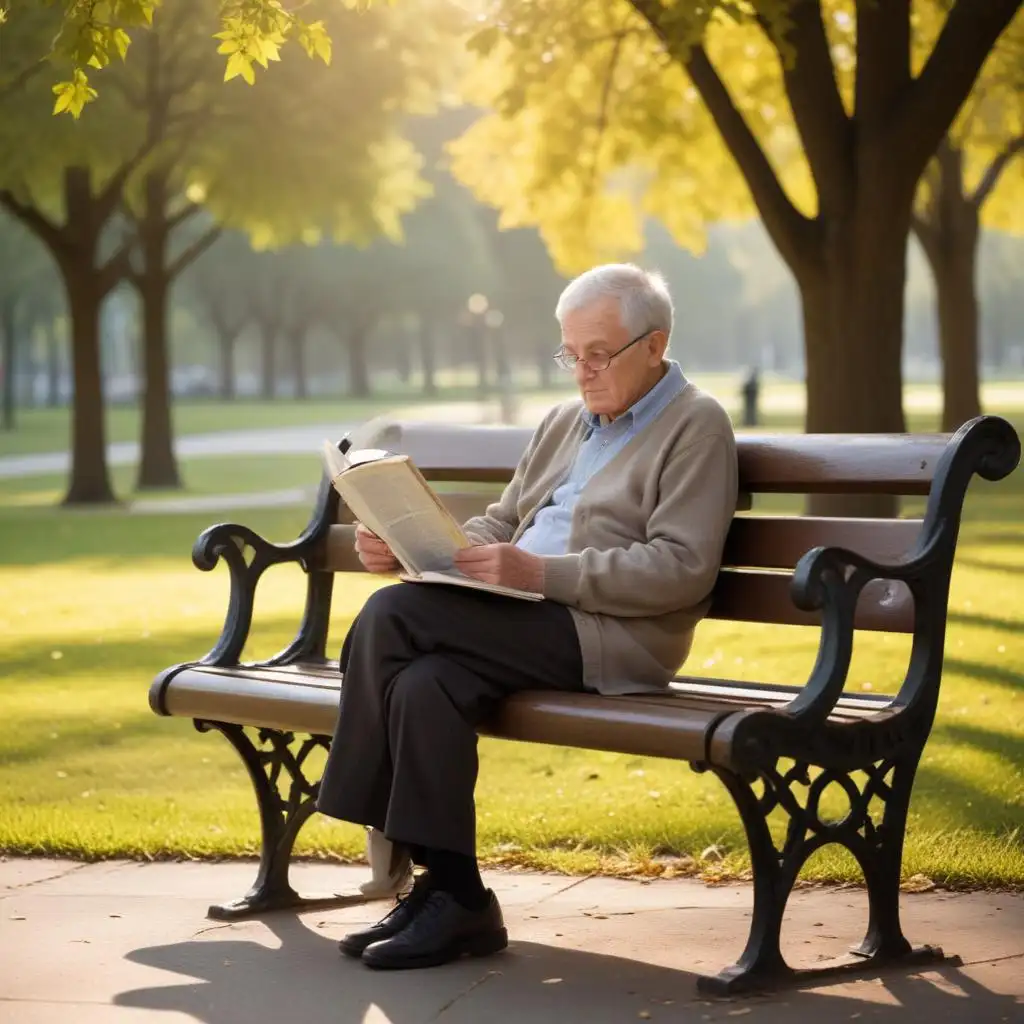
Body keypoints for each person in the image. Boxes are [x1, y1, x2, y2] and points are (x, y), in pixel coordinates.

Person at [316, 263, 739, 971]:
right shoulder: (565, 423)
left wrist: (541, 575)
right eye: (570, 354)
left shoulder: (696, 424)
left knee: (392, 615)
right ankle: (456, 896)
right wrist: (422, 547)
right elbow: (504, 522)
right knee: (424, 683)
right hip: (517, 615)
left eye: (598, 353)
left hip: (607, 636)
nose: (583, 371)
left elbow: (681, 568)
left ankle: (369, 819)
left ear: (655, 345)